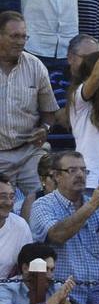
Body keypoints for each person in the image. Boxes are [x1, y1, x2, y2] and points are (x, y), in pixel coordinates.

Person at [28, 149, 99, 304]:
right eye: (72, 170)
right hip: (64, 300)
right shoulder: (42, 205)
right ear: (56, 176)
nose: (80, 175)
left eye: (83, 170)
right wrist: (91, 206)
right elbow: (58, 235)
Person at [0, 12, 58, 202]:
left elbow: (49, 113)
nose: (20, 41)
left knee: (50, 196)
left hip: (29, 152)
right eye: (14, 36)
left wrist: (45, 129)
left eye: (24, 36)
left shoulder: (35, 66)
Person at [0, 242, 76, 304]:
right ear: (25, 268)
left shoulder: (54, 287)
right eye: (45, 269)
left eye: (52, 270)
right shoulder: (7, 287)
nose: (50, 275)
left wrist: (63, 302)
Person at [0, 175, 34, 276]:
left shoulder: (20, 226)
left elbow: (27, 265)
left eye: (12, 197)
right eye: (3, 197)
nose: (9, 202)